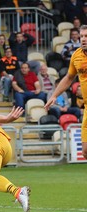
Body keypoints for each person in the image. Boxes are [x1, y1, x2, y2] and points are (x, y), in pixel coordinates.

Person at [45, 25, 87, 160]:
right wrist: (54, 95)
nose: (84, 39)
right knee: (85, 151)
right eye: (81, 37)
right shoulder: (76, 56)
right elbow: (69, 78)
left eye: (86, 36)